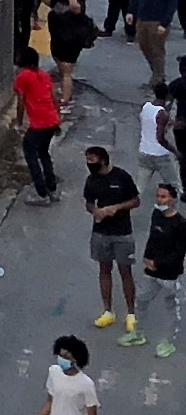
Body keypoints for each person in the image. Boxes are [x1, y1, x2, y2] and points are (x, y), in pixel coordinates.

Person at [82, 143, 143, 342]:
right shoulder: (91, 181)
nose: (89, 164)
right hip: (101, 232)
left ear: (103, 160)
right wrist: (95, 211)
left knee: (125, 272)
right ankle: (108, 311)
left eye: (92, 160)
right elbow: (89, 202)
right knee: (104, 270)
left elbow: (136, 201)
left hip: (122, 233)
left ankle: (131, 313)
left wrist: (117, 207)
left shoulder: (122, 177)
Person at [14, 46, 62, 203]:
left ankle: (41, 193)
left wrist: (19, 122)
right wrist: (57, 119)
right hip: (51, 120)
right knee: (43, 153)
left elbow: (20, 101)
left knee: (30, 153)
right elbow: (54, 97)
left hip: (39, 123)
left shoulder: (22, 77)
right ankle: (52, 188)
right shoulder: (44, 75)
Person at [144, 181, 186, 358]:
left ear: (173, 200)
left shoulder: (181, 224)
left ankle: (171, 341)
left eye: (163, 197)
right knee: (142, 299)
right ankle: (138, 333)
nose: (159, 200)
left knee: (172, 308)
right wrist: (147, 256)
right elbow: (152, 237)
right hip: (151, 271)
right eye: (157, 196)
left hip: (170, 275)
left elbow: (179, 252)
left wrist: (158, 263)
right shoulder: (156, 214)